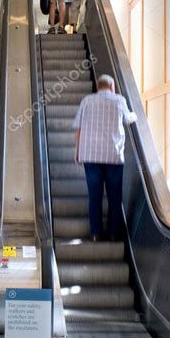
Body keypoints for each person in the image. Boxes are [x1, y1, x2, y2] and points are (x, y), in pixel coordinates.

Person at [73, 74, 137, 242]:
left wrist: (77, 151)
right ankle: (114, 233)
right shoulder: (119, 100)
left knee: (95, 195)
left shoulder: (87, 100)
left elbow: (78, 127)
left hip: (90, 155)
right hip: (113, 156)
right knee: (115, 196)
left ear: (98, 86)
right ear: (112, 87)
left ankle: (96, 234)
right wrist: (135, 114)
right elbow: (129, 119)